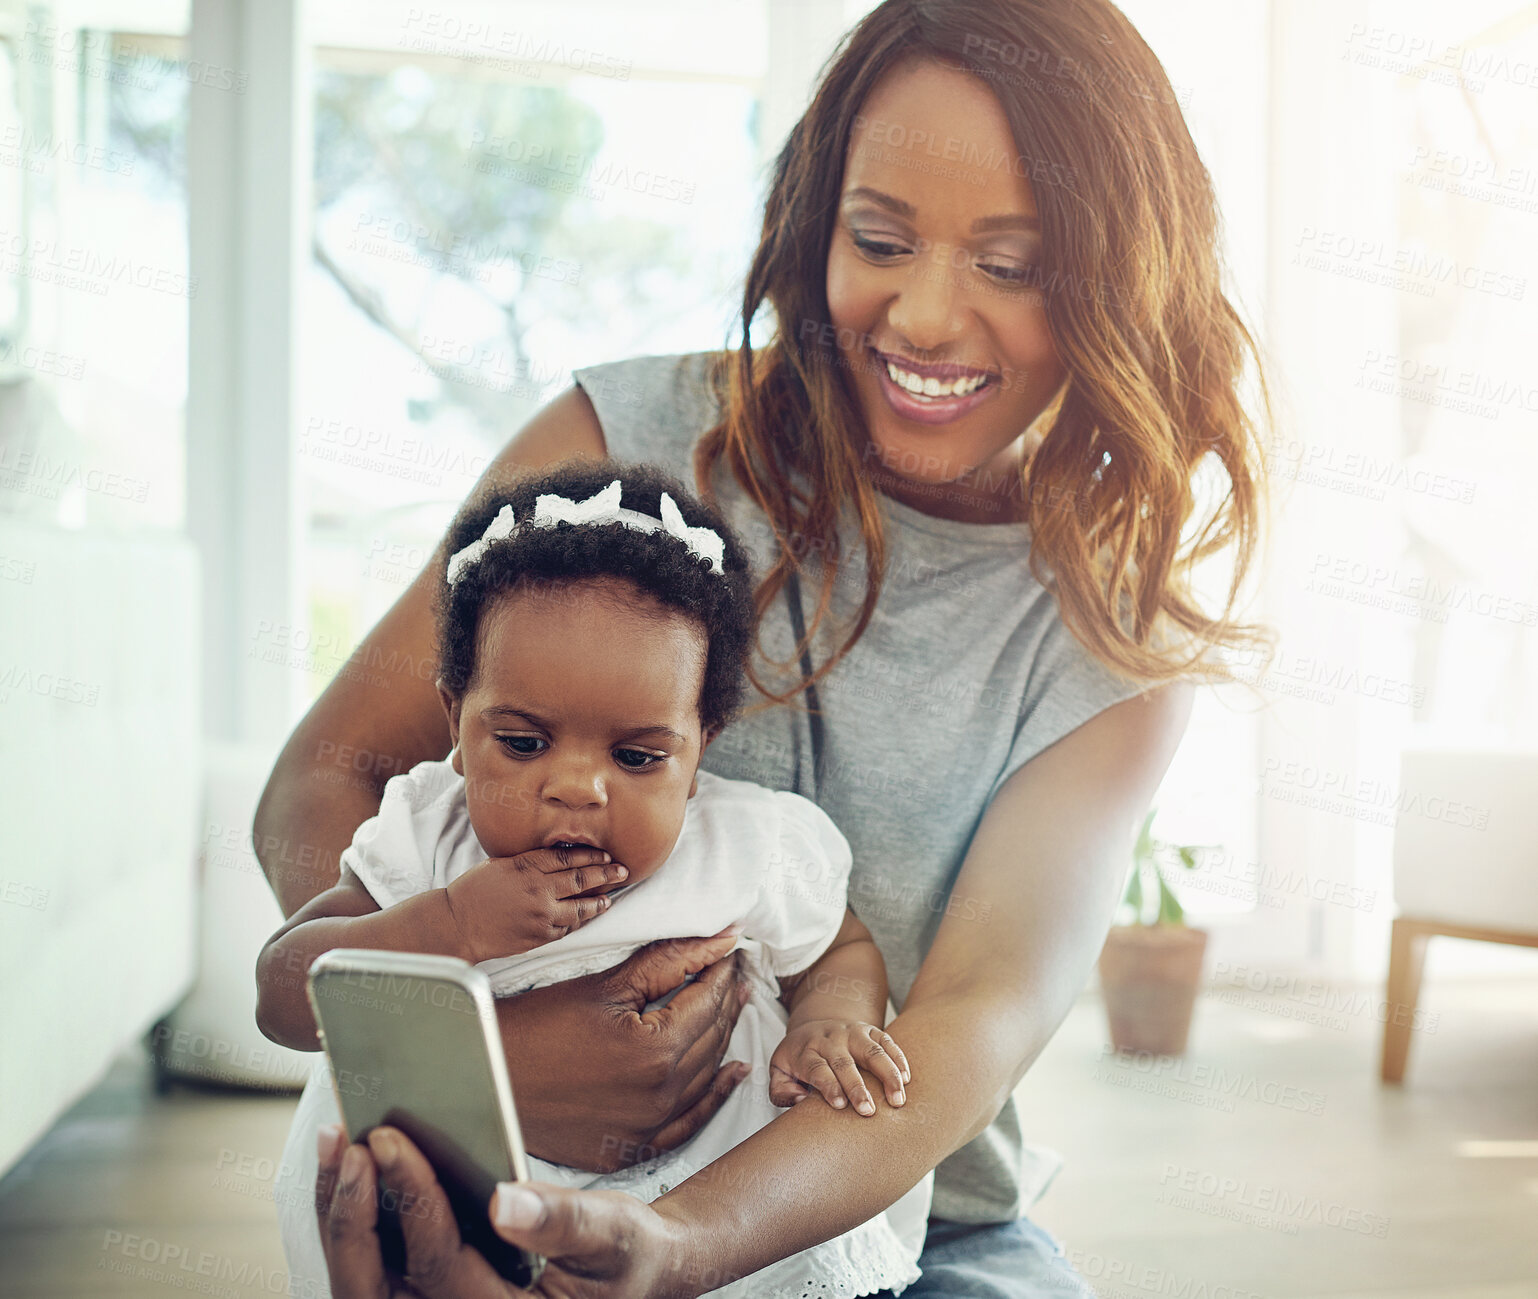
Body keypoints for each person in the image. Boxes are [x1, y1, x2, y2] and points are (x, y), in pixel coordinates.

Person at [255, 0, 1275, 1293]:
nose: (923, 315)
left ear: (1120, 273)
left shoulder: (1114, 637)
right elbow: (326, 777)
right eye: (878, 238)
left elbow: (973, 1017)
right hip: (494, 1181)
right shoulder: (615, 448)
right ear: (815, 225)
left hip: (897, 1225)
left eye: (1010, 263)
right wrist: (475, 1067)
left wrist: (679, 1238)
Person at [255, 464, 931, 1298]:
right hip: (471, 1199)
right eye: (524, 742)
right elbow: (285, 993)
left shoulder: (745, 840)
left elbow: (839, 942)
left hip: (712, 1207)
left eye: (637, 756)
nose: (578, 785)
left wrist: (829, 1018)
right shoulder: (432, 837)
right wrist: (451, 924)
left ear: (700, 749)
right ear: (455, 723)